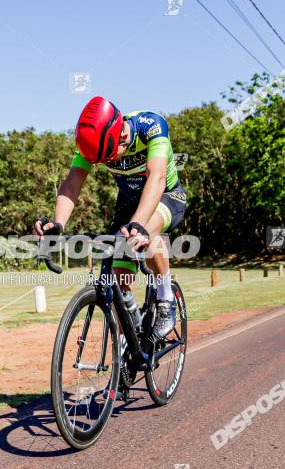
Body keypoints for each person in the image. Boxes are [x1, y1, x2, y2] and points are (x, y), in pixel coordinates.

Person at [34, 96, 187, 339]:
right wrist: (58, 222)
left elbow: (155, 176)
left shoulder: (152, 126)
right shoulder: (93, 143)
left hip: (165, 195)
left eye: (108, 157)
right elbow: (73, 181)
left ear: (122, 136)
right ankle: (134, 332)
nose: (108, 162)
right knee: (118, 274)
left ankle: (165, 297)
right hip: (128, 204)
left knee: (148, 231)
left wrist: (139, 225)